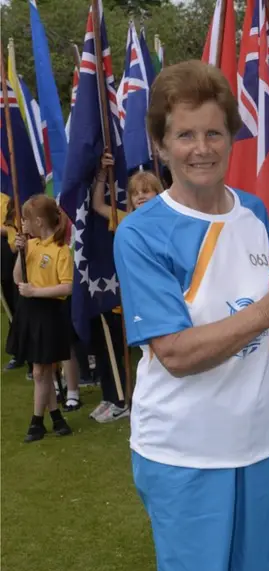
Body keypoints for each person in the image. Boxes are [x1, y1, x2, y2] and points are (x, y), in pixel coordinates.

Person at [113, 60, 269, 571]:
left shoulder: (252, 213)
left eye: (213, 133)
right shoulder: (143, 232)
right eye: (184, 134)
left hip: (255, 442)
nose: (200, 148)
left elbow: (253, 317)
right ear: (160, 143)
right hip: (184, 450)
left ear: (231, 137)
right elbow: (175, 353)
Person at [89, 154, 164, 423]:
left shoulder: (170, 222)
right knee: (147, 354)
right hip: (134, 299)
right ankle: (141, 403)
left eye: (147, 191)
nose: (141, 197)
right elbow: (97, 204)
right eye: (135, 193)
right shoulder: (123, 220)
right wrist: (101, 174)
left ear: (160, 193)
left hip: (163, 297)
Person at [7, 195, 73, 443]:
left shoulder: (61, 250)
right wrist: (21, 253)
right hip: (29, 311)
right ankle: (55, 416)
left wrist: (36, 291)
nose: (22, 224)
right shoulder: (31, 246)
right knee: (42, 370)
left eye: (25, 219)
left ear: (37, 220)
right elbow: (17, 277)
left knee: (40, 370)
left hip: (48, 313)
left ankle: (37, 421)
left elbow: (67, 287)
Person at [1, 198, 23, 371]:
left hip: (10, 255)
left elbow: (10, 228)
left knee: (18, 303)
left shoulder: (5, 197)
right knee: (9, 303)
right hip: (5, 257)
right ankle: (17, 351)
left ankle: (24, 350)